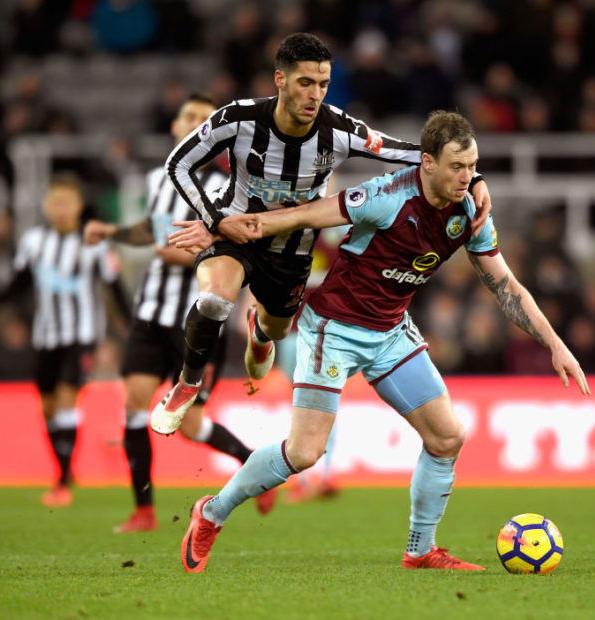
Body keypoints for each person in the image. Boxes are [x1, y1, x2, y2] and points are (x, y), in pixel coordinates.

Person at [168, 110, 590, 573]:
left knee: (447, 438)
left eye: (473, 167)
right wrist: (219, 225)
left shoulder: (470, 208)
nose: (467, 178)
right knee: (305, 453)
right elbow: (303, 215)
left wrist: (555, 343)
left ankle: (420, 550)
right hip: (334, 328)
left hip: (389, 330)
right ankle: (211, 512)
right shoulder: (385, 196)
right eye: (457, 167)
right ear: (426, 163)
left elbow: (505, 284)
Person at [149, 32, 492, 435]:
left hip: (292, 250)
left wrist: (475, 177)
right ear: (281, 80)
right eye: (305, 83)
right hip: (236, 229)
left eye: (324, 84)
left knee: (277, 327)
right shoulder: (238, 120)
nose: (315, 94)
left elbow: (414, 153)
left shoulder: (340, 131)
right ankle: (187, 384)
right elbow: (177, 164)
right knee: (213, 301)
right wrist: (215, 219)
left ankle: (261, 331)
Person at [83, 94, 276, 532]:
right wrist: (111, 231)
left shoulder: (226, 188)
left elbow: (224, 246)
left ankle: (253, 466)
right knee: (133, 404)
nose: (193, 123)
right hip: (151, 311)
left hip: (197, 319)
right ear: (174, 126)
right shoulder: (157, 180)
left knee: (190, 425)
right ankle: (144, 511)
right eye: (188, 116)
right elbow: (153, 229)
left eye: (204, 120)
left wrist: (179, 251)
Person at [10, 173, 129, 506]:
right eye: (55, 203)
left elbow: (114, 286)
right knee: (47, 406)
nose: (60, 209)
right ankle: (64, 469)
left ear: (78, 207)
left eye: (67, 202)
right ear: (46, 206)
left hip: (82, 335)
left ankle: (62, 479)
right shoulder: (33, 241)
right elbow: (17, 283)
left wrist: (127, 323)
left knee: (66, 396)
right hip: (45, 336)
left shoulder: (95, 243)